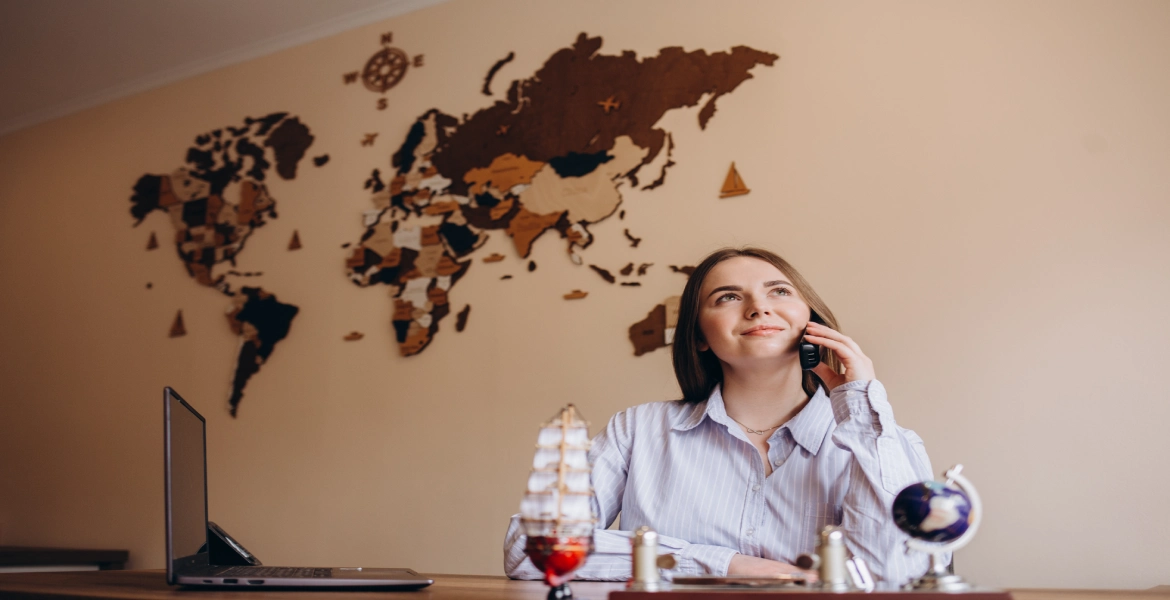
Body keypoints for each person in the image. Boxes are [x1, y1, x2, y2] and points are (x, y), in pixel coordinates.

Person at [504, 247, 937, 585]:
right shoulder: (636, 431)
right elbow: (530, 547)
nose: (758, 307)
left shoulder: (883, 442)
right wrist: (727, 564)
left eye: (779, 291)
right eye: (728, 297)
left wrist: (860, 402)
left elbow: (897, 574)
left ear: (811, 323)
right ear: (699, 338)